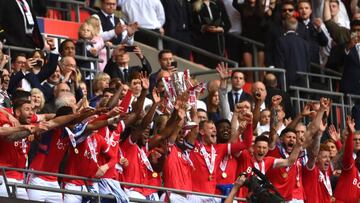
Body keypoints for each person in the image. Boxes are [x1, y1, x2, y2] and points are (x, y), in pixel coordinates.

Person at [191, 0, 231, 68]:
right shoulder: (193, 5)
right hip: (202, 42)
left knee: (218, 66)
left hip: (218, 42)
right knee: (203, 66)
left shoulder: (218, 3)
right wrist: (203, 27)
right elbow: (192, 25)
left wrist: (220, 29)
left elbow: (227, 24)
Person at [274, 17, 310, 87]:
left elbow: (280, 63)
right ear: (296, 28)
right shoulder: (304, 43)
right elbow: (308, 63)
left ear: (284, 26)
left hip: (287, 81)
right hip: (303, 80)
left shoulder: (281, 41)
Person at [333, 116, 360, 202]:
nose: (358, 141)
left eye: (359, 139)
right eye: (355, 140)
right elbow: (347, 155)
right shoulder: (351, 167)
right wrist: (351, 134)